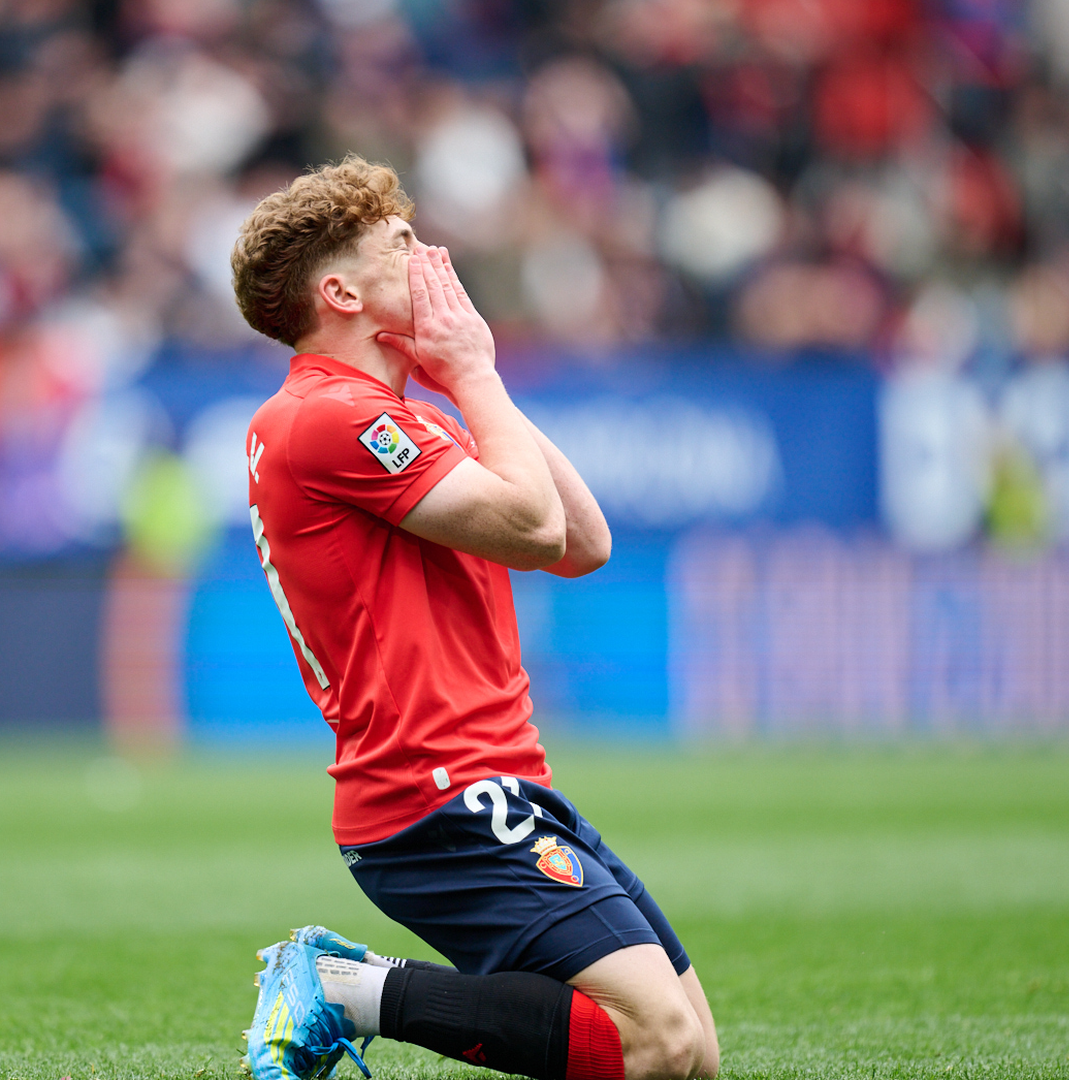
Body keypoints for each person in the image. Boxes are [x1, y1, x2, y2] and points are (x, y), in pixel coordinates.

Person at [230, 154, 720, 1080]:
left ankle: (347, 988)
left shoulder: (393, 412)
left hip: (494, 778)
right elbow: (535, 528)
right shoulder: (327, 417)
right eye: (403, 243)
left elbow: (584, 543)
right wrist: (475, 371)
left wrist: (464, 379)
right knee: (653, 1042)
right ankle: (340, 989)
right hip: (436, 792)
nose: (434, 255)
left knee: (689, 1058)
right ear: (339, 290)